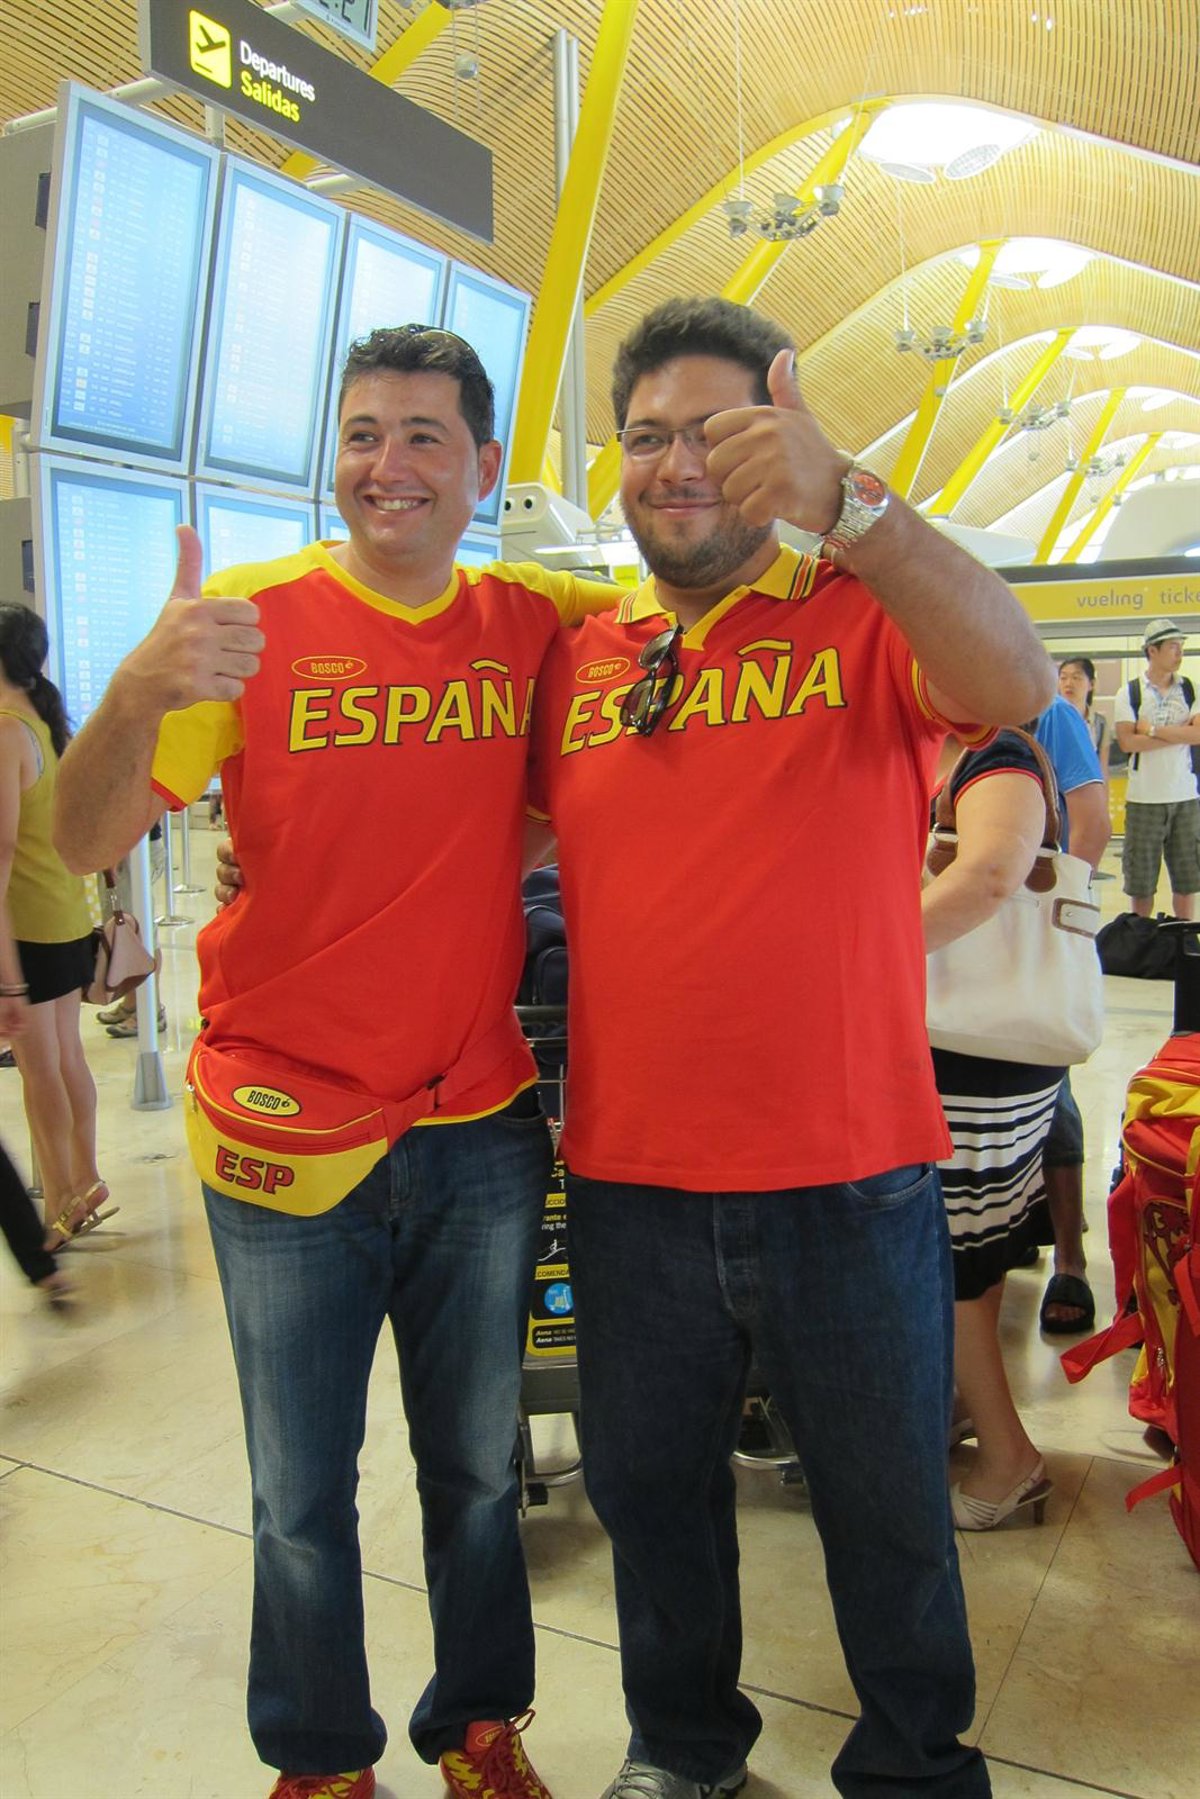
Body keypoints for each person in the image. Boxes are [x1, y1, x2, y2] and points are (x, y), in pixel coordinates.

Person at [54, 326, 617, 1799]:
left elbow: (669, 616)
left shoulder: (534, 614)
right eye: (364, 432)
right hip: (283, 1122)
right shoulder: (246, 618)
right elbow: (78, 835)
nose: (389, 465)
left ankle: (477, 1725)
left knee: (480, 1470)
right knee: (298, 1487)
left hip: (476, 1119)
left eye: (425, 435)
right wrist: (135, 687)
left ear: (485, 468)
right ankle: (318, 1758)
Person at [526, 298, 1054, 1799]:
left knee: (886, 1512)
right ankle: (685, 1751)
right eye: (647, 436)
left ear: (784, 429)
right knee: (652, 1500)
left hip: (850, 1173)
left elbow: (1015, 682)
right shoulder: (582, 658)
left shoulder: (859, 609)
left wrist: (856, 506)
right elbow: (469, 837)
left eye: (716, 427)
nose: (680, 461)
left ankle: (914, 1768)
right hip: (630, 1181)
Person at [923, 731, 1062, 1528]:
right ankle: (965, 1405)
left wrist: (862, 956)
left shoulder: (992, 753)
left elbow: (990, 874)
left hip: (977, 1055)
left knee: (953, 1266)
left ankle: (1010, 1458)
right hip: (982, 1050)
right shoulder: (954, 752)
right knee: (970, 1254)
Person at [0, 603, 110, 1252]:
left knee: (40, 1070)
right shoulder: (44, 721)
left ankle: (63, 1201)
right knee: (66, 1055)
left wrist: (7, 977)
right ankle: (84, 1179)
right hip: (67, 914)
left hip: (31, 925)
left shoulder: (7, 730)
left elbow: (1, 853)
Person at [1032, 695, 1110, 1334]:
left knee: (1044, 1077)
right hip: (940, 930)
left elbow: (1091, 823)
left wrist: (1061, 916)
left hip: (1029, 923)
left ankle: (1070, 1259)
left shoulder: (1045, 712)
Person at [1113, 617, 1200, 921]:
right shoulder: (1130, 693)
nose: (1180, 653)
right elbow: (1127, 742)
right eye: (1173, 647)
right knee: (1141, 883)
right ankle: (1141, 938)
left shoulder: (1191, 689)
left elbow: (1198, 735)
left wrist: (1151, 731)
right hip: (1144, 799)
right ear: (1152, 650)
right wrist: (1179, 733)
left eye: (1181, 647)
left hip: (1185, 796)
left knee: (1188, 881)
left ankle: (1184, 939)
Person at [1058, 655, 1110, 780]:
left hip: (1088, 786)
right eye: (1063, 678)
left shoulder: (1099, 723)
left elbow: (1102, 768)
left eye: (1076, 678)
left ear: (1091, 684)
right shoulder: (1050, 718)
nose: (1068, 683)